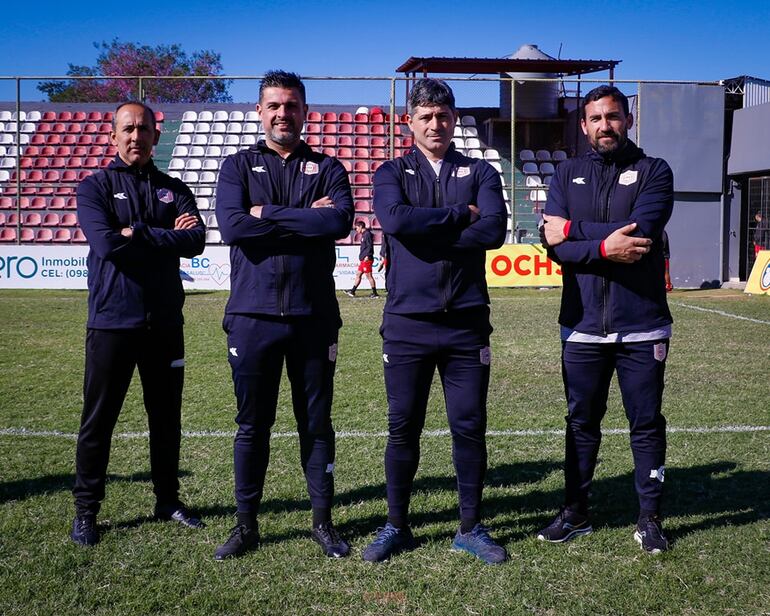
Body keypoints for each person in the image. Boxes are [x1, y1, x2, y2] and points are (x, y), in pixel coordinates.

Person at [363, 78, 508, 564]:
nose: (435, 124)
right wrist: (456, 215)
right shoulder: (392, 172)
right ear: (409, 121)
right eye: (425, 116)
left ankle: (470, 526)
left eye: (442, 116)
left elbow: (493, 231)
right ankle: (396, 524)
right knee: (403, 427)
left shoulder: (481, 172)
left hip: (467, 323)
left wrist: (429, 231)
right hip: (407, 322)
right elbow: (396, 222)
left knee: (469, 426)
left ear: (454, 119)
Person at [214, 70, 354, 560]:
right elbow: (233, 228)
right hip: (252, 316)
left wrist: (265, 214)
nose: (282, 113)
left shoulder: (329, 166)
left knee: (315, 423)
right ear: (259, 111)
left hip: (314, 316)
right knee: (252, 424)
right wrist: (302, 218)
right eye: (274, 105)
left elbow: (337, 221)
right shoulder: (236, 166)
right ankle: (246, 524)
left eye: (291, 105)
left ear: (304, 112)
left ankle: (323, 522)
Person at [539, 85, 674, 553]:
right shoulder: (566, 173)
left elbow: (640, 237)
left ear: (628, 119)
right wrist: (601, 246)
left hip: (642, 325)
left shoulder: (654, 171)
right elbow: (551, 247)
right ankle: (575, 512)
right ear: (584, 125)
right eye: (595, 118)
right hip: (580, 325)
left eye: (612, 117)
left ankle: (649, 517)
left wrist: (574, 233)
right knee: (580, 421)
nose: (604, 126)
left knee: (645, 422)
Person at [71, 101, 206, 546]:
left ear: (156, 135)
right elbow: (109, 246)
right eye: (127, 129)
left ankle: (167, 500)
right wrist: (165, 236)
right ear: (113, 137)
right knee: (99, 420)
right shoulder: (95, 187)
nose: (136, 136)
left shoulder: (173, 187)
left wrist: (140, 233)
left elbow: (196, 242)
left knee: (166, 419)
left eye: (144, 129)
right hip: (112, 322)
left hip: (165, 323)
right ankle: (86, 510)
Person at [345, 219, 379, 297]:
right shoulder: (364, 234)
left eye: (356, 228)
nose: (356, 230)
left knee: (369, 276)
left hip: (366, 259)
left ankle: (375, 293)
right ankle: (352, 291)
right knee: (358, 274)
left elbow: (370, 246)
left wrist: (367, 255)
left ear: (360, 226)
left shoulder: (367, 234)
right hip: (363, 259)